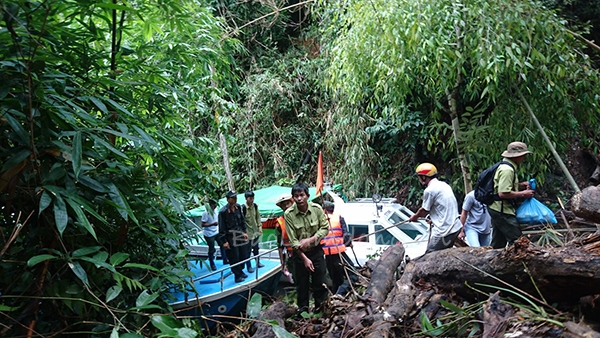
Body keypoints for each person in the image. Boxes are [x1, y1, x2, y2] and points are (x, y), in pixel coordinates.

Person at [284, 183, 329, 313]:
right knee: (302, 286)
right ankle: (303, 313)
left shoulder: (317, 209)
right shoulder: (289, 214)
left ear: (307, 196)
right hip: (300, 255)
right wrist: (304, 258)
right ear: (293, 198)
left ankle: (320, 311)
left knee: (320, 283)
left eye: (302, 195)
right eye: (296, 196)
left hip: (316, 251)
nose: (299, 199)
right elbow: (293, 241)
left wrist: (311, 239)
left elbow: (325, 228)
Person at [489, 142, 535, 248]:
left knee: (498, 242)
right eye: (523, 155)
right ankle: (518, 262)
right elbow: (503, 193)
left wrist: (519, 185)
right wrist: (523, 193)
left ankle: (492, 261)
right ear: (517, 156)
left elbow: (502, 186)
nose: (524, 158)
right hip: (502, 210)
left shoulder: (503, 165)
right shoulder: (507, 170)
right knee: (518, 241)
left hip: (495, 208)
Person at [408, 163, 462, 253]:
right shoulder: (444, 185)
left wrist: (415, 217)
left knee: (429, 257)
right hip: (455, 226)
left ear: (424, 177)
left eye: (419, 177)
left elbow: (424, 210)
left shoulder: (430, 190)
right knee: (444, 253)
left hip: (444, 231)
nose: (419, 179)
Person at [321, 201, 356, 295]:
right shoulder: (339, 218)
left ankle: (336, 295)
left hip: (328, 255)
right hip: (339, 254)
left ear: (324, 210)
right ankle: (340, 293)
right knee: (353, 276)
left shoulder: (320, 220)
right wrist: (349, 244)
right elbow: (346, 235)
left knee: (336, 279)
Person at [217, 191, 249, 283]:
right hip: (230, 237)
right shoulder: (223, 212)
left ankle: (241, 270)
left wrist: (244, 231)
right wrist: (224, 241)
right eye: (232, 198)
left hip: (240, 235)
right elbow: (222, 227)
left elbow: (242, 220)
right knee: (234, 256)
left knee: (243, 254)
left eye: (235, 197)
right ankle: (237, 275)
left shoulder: (238, 207)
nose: (235, 199)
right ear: (228, 199)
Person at [201, 200, 227, 270]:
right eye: (213, 205)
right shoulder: (206, 213)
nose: (214, 206)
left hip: (216, 231)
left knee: (222, 245)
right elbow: (203, 224)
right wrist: (212, 224)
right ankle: (212, 264)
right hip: (209, 234)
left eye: (215, 204)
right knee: (211, 249)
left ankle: (225, 259)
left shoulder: (216, 210)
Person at [274, 194, 295, 282]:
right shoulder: (280, 222)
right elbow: (280, 246)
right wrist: (283, 264)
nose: (286, 206)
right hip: (292, 256)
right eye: (284, 204)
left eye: (288, 203)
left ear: (292, 203)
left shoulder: (301, 216)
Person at [242, 190, 264, 272]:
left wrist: (260, 227)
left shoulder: (255, 206)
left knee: (256, 249)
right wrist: (243, 232)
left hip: (255, 232)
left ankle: (258, 262)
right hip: (248, 233)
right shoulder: (243, 208)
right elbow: (241, 221)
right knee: (247, 251)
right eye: (250, 198)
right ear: (246, 198)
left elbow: (258, 217)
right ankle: (249, 266)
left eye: (253, 198)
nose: (252, 200)